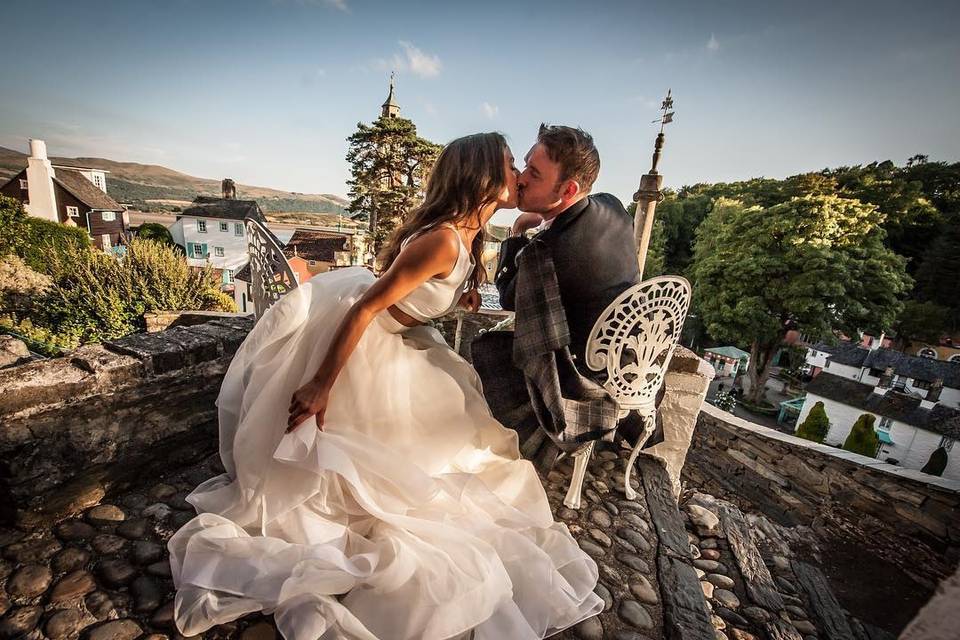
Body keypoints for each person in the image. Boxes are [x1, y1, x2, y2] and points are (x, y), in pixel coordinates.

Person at [167, 132, 602, 640]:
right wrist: (321, 386)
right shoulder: (442, 239)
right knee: (387, 470)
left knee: (460, 440)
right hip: (363, 336)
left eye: (524, 168)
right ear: (483, 176)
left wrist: (456, 294)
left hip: (402, 336)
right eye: (511, 165)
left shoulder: (468, 233)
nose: (518, 175)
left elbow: (429, 288)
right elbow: (366, 308)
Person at [472, 125, 643, 453]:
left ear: (568, 190)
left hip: (580, 379)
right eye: (524, 164)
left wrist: (517, 232)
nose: (520, 178)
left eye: (534, 174)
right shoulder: (613, 207)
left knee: (486, 348)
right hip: (630, 364)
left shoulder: (546, 250)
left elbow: (509, 297)